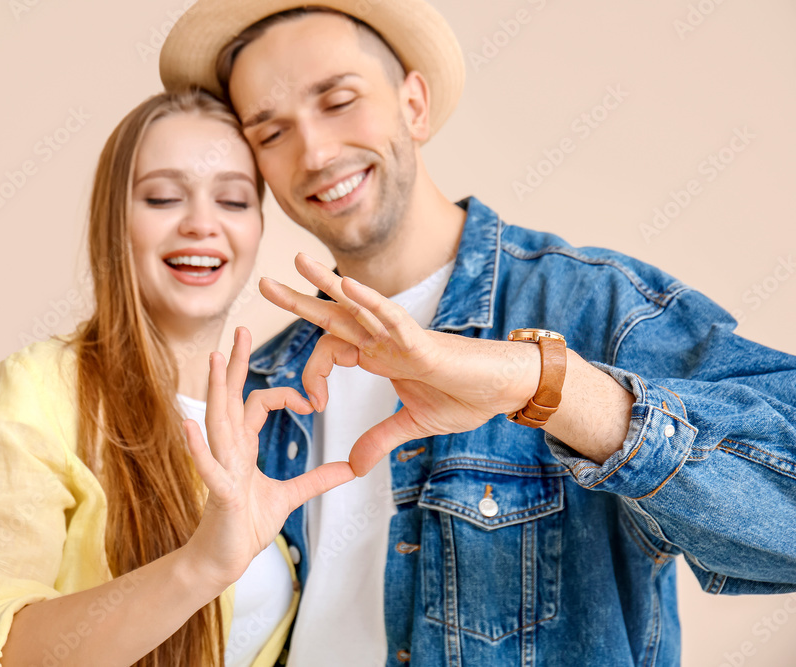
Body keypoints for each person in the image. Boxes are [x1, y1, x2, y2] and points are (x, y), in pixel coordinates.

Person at [158, 2, 796, 665]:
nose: (314, 152)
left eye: (340, 101)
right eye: (272, 132)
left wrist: (543, 381)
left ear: (415, 104)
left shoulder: (593, 306)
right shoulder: (264, 383)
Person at [0, 88, 353, 667]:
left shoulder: (264, 410)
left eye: (231, 200)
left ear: (257, 226)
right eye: (162, 197)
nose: (202, 224)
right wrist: (199, 565)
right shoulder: (39, 392)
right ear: (114, 219)